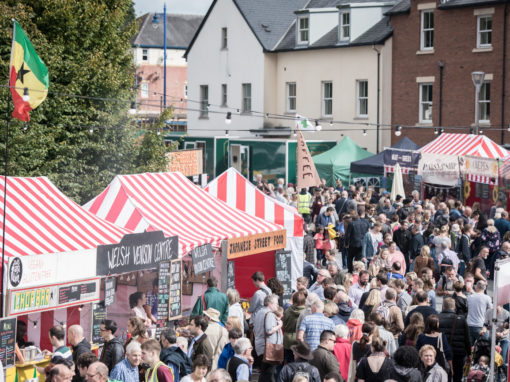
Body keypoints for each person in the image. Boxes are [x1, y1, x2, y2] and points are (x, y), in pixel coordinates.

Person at [438, 298, 471, 382]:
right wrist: (469, 354)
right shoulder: (462, 319)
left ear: (443, 306)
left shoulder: (437, 318)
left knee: (442, 374)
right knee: (457, 375)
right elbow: (467, 338)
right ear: (454, 307)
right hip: (458, 352)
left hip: (442, 352)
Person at [253, 294, 282, 382]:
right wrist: (280, 325)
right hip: (268, 347)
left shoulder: (259, 312)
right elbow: (269, 330)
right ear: (270, 303)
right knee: (269, 372)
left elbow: (254, 329)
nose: (277, 306)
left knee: (264, 372)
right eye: (276, 303)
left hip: (260, 345)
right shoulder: (269, 314)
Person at [282, 291, 306, 363]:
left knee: (289, 361)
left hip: (287, 339)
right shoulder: (306, 312)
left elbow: (284, 326)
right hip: (300, 339)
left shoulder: (287, 311)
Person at [467, 280, 492, 344]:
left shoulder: (469, 297)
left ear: (476, 287)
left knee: (469, 349)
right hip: (480, 326)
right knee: (483, 347)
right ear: (485, 288)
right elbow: (491, 309)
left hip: (469, 325)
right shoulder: (487, 298)